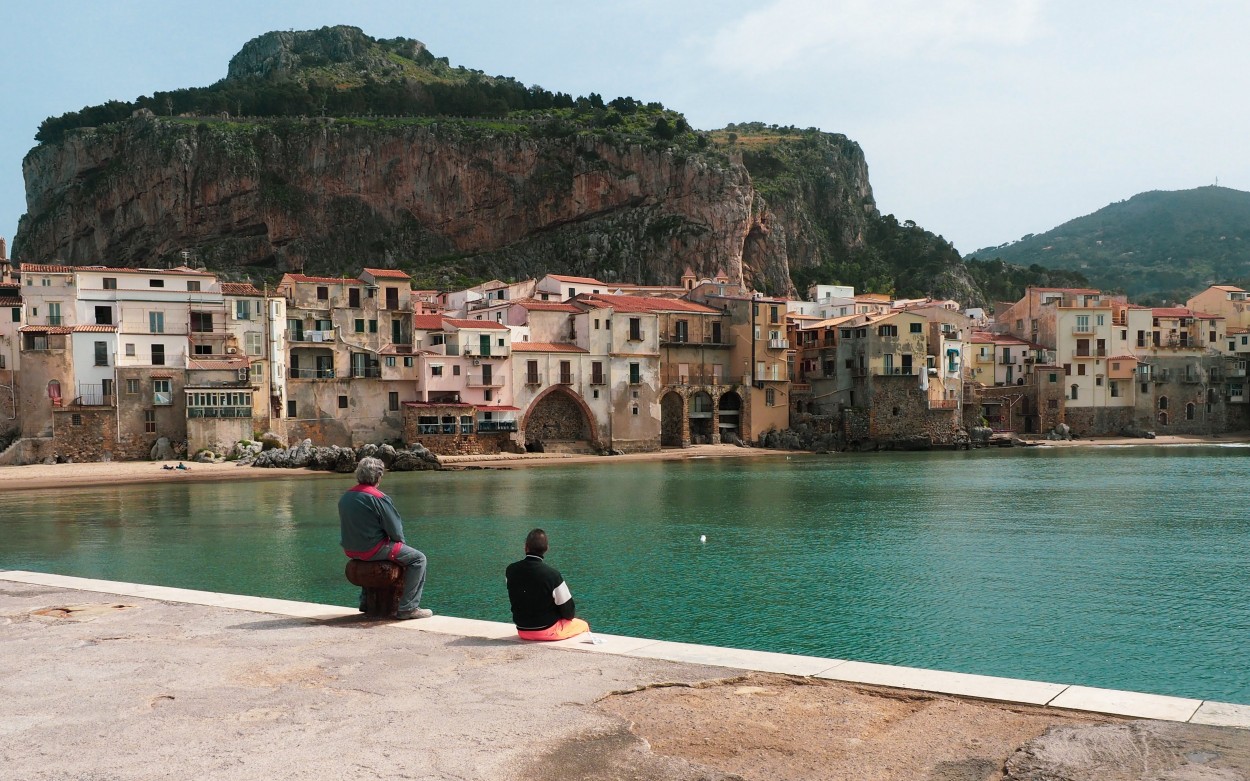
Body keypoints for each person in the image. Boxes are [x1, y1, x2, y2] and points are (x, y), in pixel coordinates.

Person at [338, 456, 432, 620]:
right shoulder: (378, 498)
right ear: (378, 476)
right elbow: (395, 530)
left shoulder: (345, 496)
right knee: (418, 559)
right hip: (373, 549)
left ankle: (365, 602)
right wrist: (400, 544)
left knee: (376, 555)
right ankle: (408, 607)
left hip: (351, 550)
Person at [505, 528, 589, 641]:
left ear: (525, 547)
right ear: (547, 549)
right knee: (583, 625)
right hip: (546, 630)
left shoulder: (510, 570)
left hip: (522, 630)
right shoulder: (552, 575)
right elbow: (569, 612)